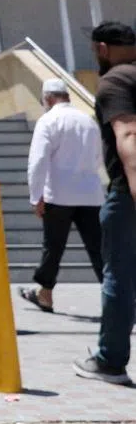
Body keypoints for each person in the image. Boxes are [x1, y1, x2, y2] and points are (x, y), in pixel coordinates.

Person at [74, 22, 136, 386]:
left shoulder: (115, 82)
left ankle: (110, 361)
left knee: (120, 277)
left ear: (101, 48)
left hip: (126, 194)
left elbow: (128, 134)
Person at [19, 79, 104, 314]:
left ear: (47, 98)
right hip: (90, 194)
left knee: (53, 247)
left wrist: (36, 196)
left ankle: (45, 293)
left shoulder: (48, 120)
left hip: (58, 195)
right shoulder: (88, 120)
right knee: (99, 249)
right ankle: (117, 295)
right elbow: (98, 158)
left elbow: (37, 162)